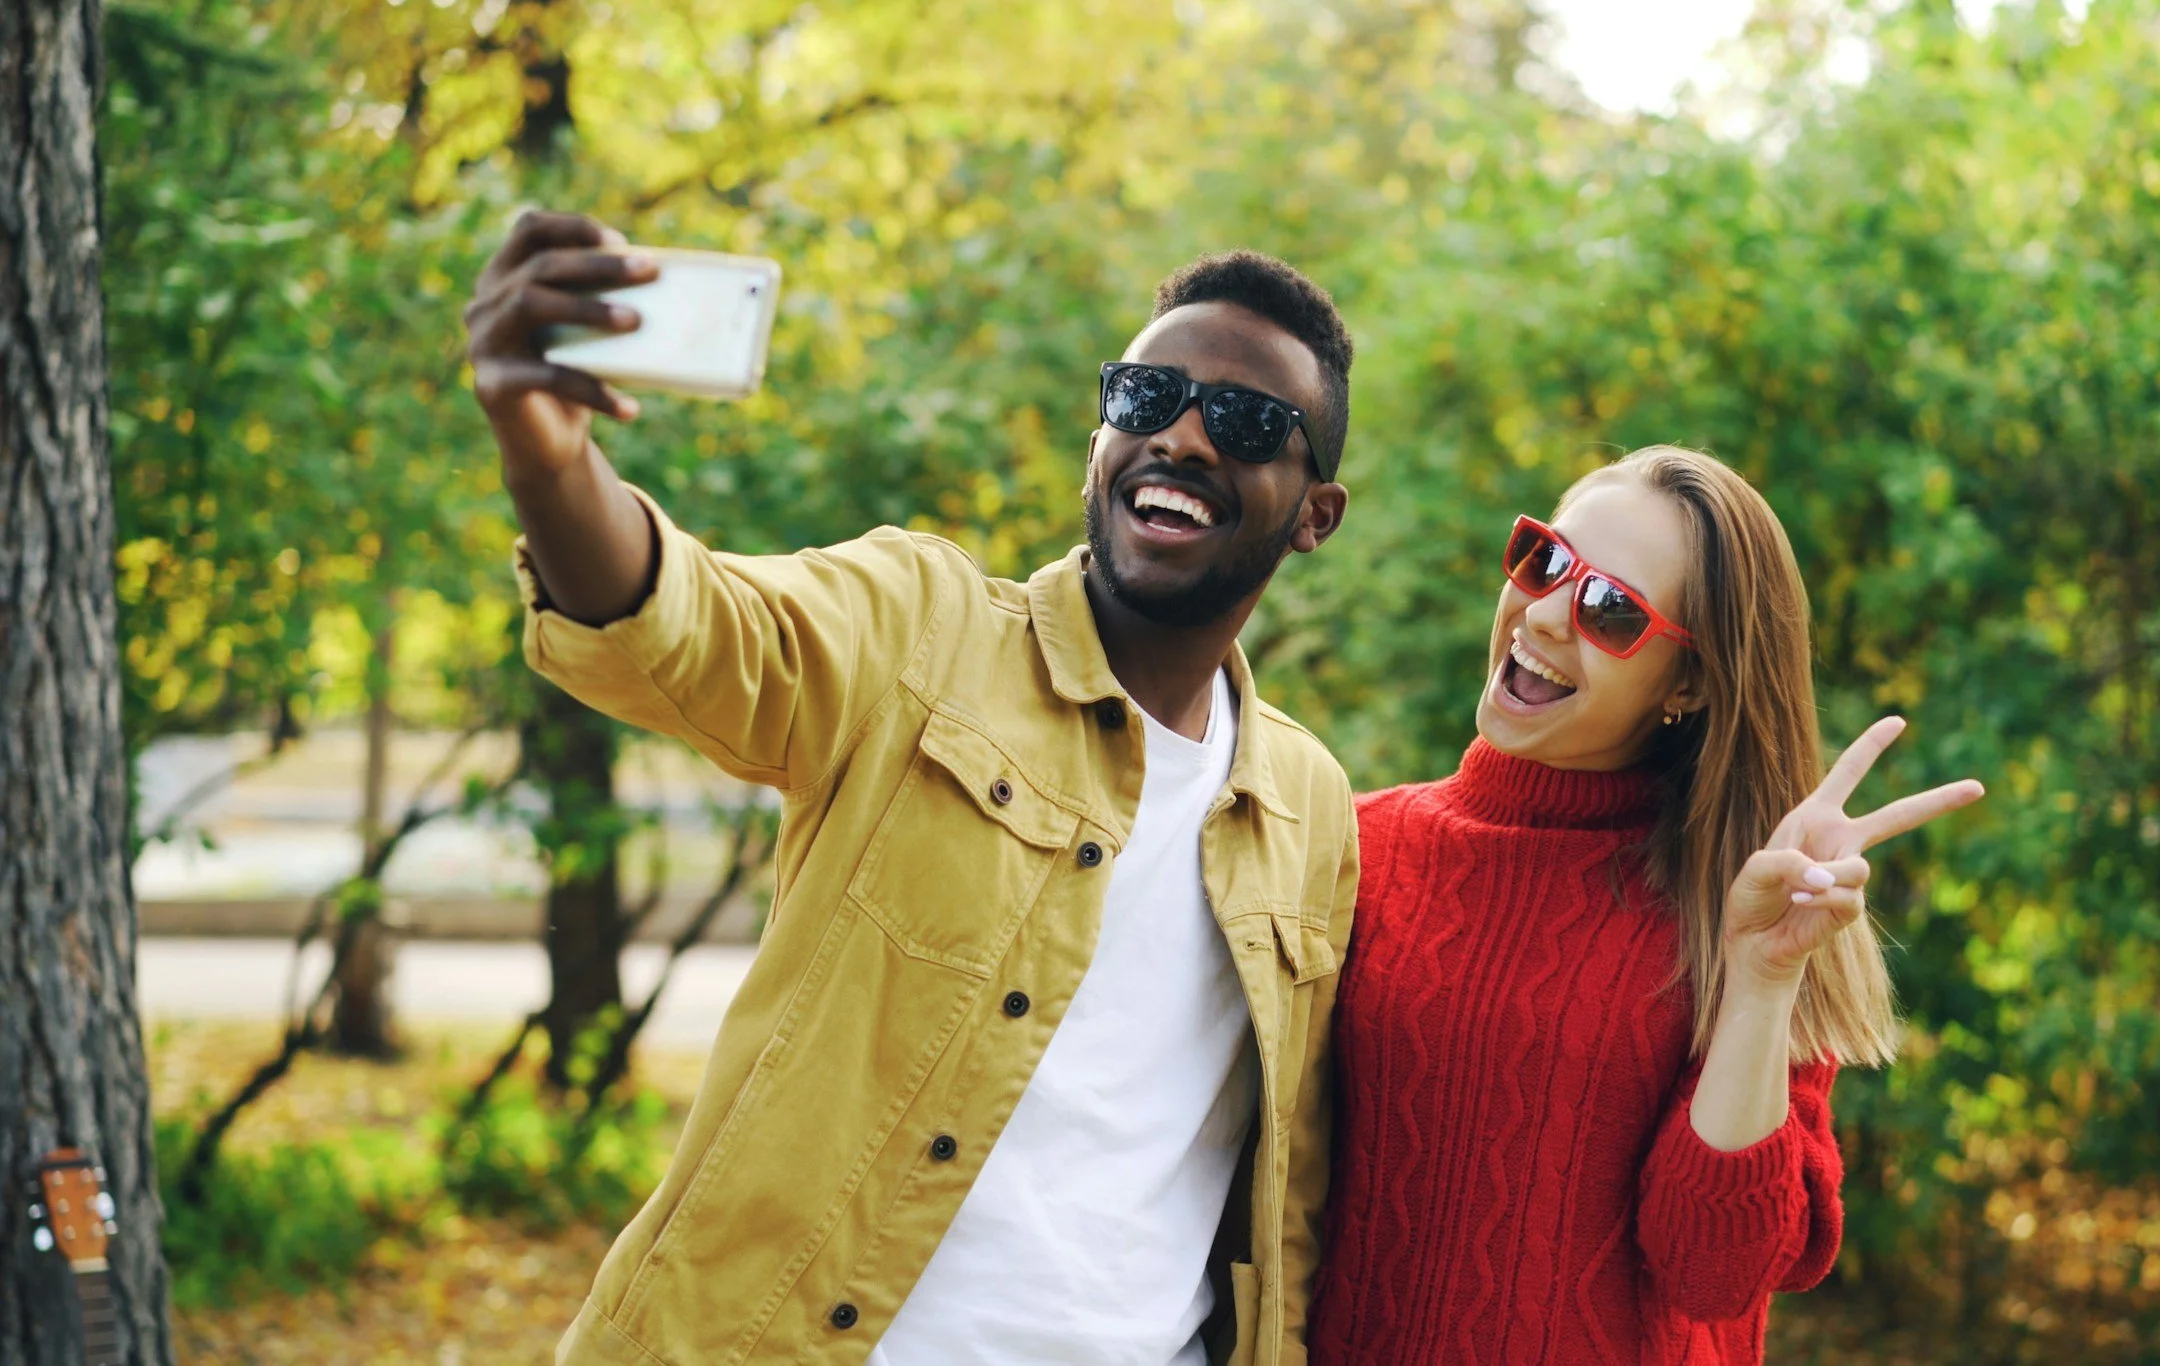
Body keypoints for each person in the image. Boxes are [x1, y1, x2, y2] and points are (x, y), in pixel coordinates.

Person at [462, 211, 1360, 1366]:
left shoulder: (1307, 804)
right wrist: (548, 461)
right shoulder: (921, 625)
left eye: (1241, 420)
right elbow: (687, 628)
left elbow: (1289, 1191)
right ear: (1100, 434)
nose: (1181, 436)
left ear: (1314, 515)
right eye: (1143, 396)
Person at [1310, 445, 1986, 1365]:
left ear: (1690, 685)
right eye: (1545, 560)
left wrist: (1760, 980)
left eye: (1612, 610)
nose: (1545, 613)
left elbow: (1712, 1275)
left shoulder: (1744, 913)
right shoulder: (1353, 848)